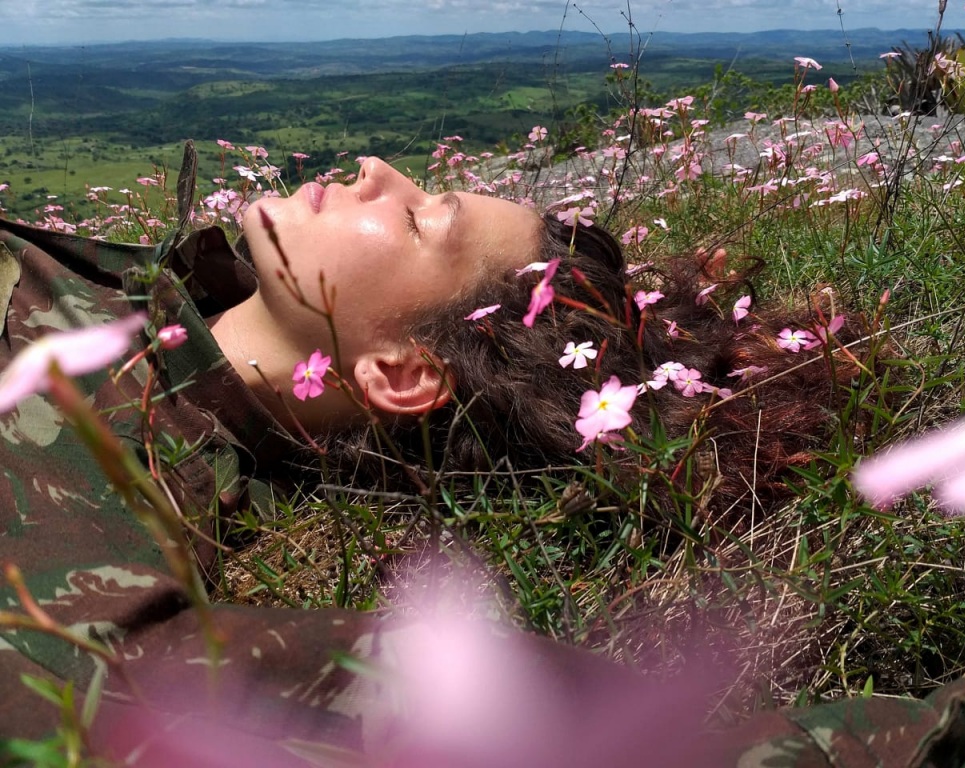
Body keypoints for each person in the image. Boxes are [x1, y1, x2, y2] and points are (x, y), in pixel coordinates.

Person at [0, 145, 858, 762]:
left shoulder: (108, 449)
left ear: (403, 375)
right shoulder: (140, 294)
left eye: (415, 219)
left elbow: (97, 683)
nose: (375, 168)